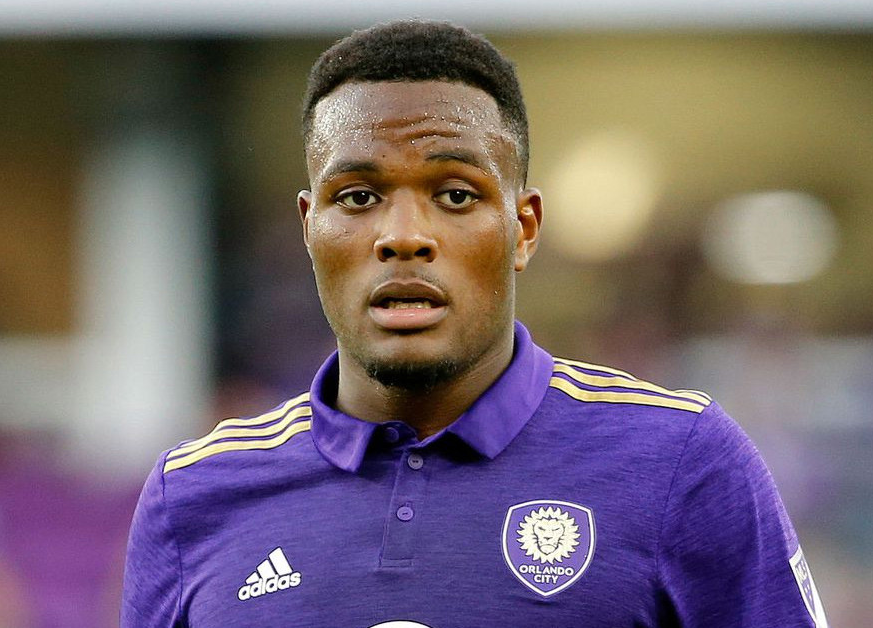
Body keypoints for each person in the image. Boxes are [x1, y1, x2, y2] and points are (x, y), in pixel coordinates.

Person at [122, 20, 829, 628]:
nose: (404, 236)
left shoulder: (682, 461)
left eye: (456, 195)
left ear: (524, 228)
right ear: (311, 228)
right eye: (359, 196)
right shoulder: (194, 495)